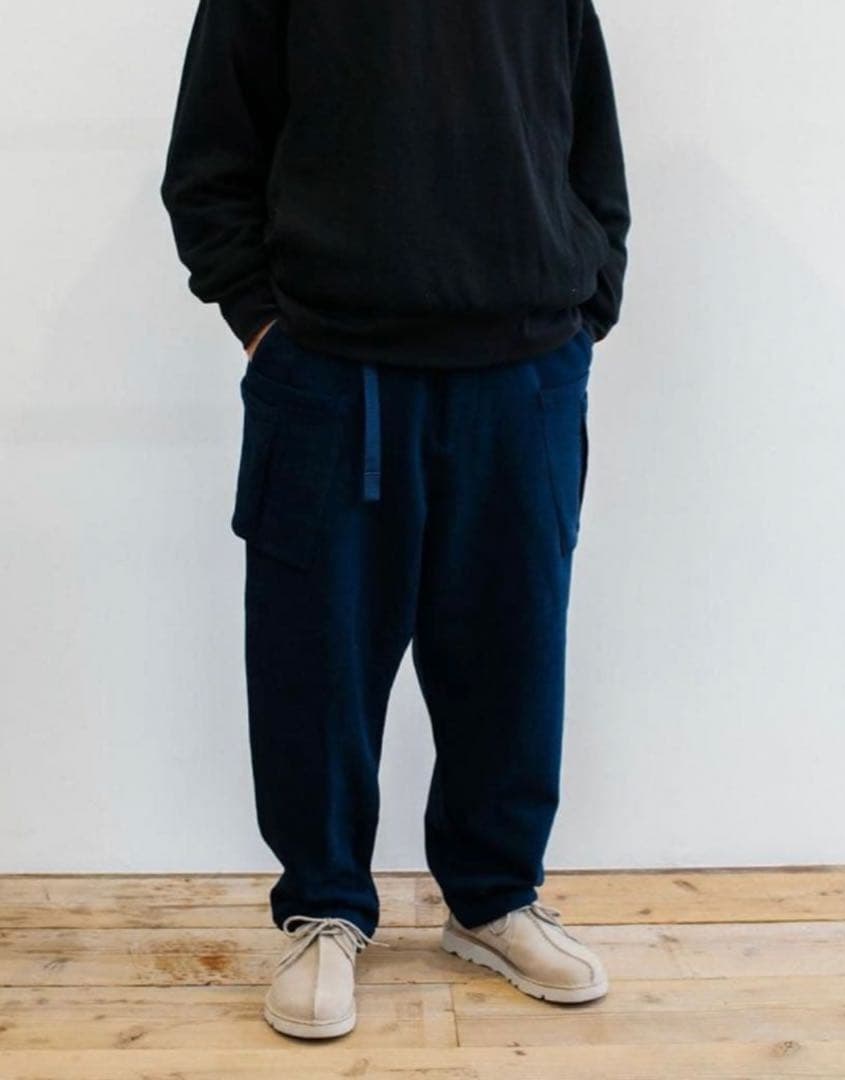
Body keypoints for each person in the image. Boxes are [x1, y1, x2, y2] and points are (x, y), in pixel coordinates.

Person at [162, 0, 629, 1041]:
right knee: (315, 655)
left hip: (523, 369)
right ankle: (323, 907)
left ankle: (493, 897)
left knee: (512, 652)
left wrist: (586, 299)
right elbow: (209, 158)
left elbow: (587, 134)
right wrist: (262, 322)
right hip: (333, 372)